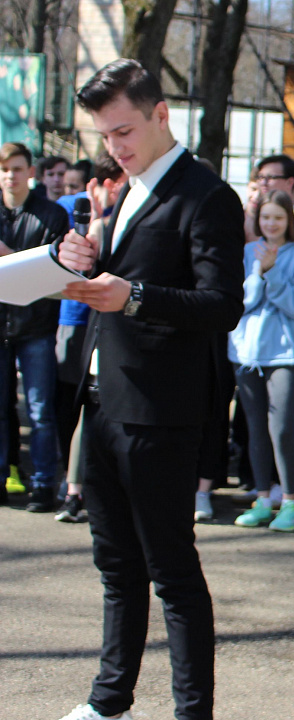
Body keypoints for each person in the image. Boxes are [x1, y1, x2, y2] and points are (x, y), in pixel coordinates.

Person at [55, 58, 245, 720]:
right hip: (105, 400)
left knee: (173, 575)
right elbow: (123, 279)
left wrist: (130, 294)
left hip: (162, 411)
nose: (116, 147)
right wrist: (81, 263)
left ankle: (192, 713)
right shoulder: (128, 188)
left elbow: (222, 304)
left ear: (161, 115)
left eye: (125, 131)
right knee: (115, 567)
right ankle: (111, 700)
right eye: (106, 136)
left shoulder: (207, 194)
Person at [228, 190, 294, 532]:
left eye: (278, 218)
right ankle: (263, 498)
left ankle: (291, 501)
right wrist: (259, 271)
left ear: (289, 222)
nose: (271, 223)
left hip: (286, 353)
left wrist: (273, 273)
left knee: (280, 429)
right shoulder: (245, 253)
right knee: (254, 429)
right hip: (246, 352)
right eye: (266, 217)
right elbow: (242, 301)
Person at [54, 152, 125, 524]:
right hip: (78, 324)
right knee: (79, 407)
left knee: (99, 408)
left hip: (112, 329)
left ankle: (90, 491)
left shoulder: (123, 220)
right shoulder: (75, 212)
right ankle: (73, 491)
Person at [0, 141, 70, 513]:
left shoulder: (52, 215)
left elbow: (52, 273)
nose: (10, 175)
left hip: (36, 326)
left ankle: (44, 483)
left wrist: (8, 259)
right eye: (4, 169)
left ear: (31, 172)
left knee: (41, 410)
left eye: (17, 168)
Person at [244, 154, 294, 254]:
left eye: (270, 177)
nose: (264, 183)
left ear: (290, 182)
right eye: (261, 177)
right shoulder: (253, 212)